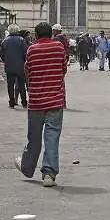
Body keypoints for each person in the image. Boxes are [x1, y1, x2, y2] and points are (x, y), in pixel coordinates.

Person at [14, 22, 67, 187]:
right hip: (55, 100)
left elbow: (27, 71)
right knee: (52, 137)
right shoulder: (59, 48)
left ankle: (27, 167)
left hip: (36, 101)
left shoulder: (32, 49)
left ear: (36, 35)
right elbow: (63, 69)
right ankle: (49, 174)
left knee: (34, 138)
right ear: (51, 34)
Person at [0, 24, 29, 109]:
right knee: (21, 85)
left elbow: (2, 54)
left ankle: (11, 102)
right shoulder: (21, 40)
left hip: (9, 66)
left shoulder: (5, 40)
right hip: (20, 67)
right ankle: (24, 102)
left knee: (10, 85)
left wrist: (6, 60)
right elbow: (25, 53)